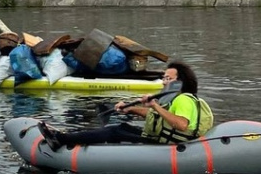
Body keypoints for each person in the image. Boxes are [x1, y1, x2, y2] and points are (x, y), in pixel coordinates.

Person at [38, 61, 202, 149]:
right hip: (161, 139)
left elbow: (181, 125)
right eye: (164, 78)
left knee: (114, 131)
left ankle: (61, 139)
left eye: (168, 79)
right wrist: (131, 108)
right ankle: (74, 138)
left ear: (180, 82)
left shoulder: (183, 99)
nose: (163, 82)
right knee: (123, 126)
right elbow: (158, 117)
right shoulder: (175, 99)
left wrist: (155, 105)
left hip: (168, 147)